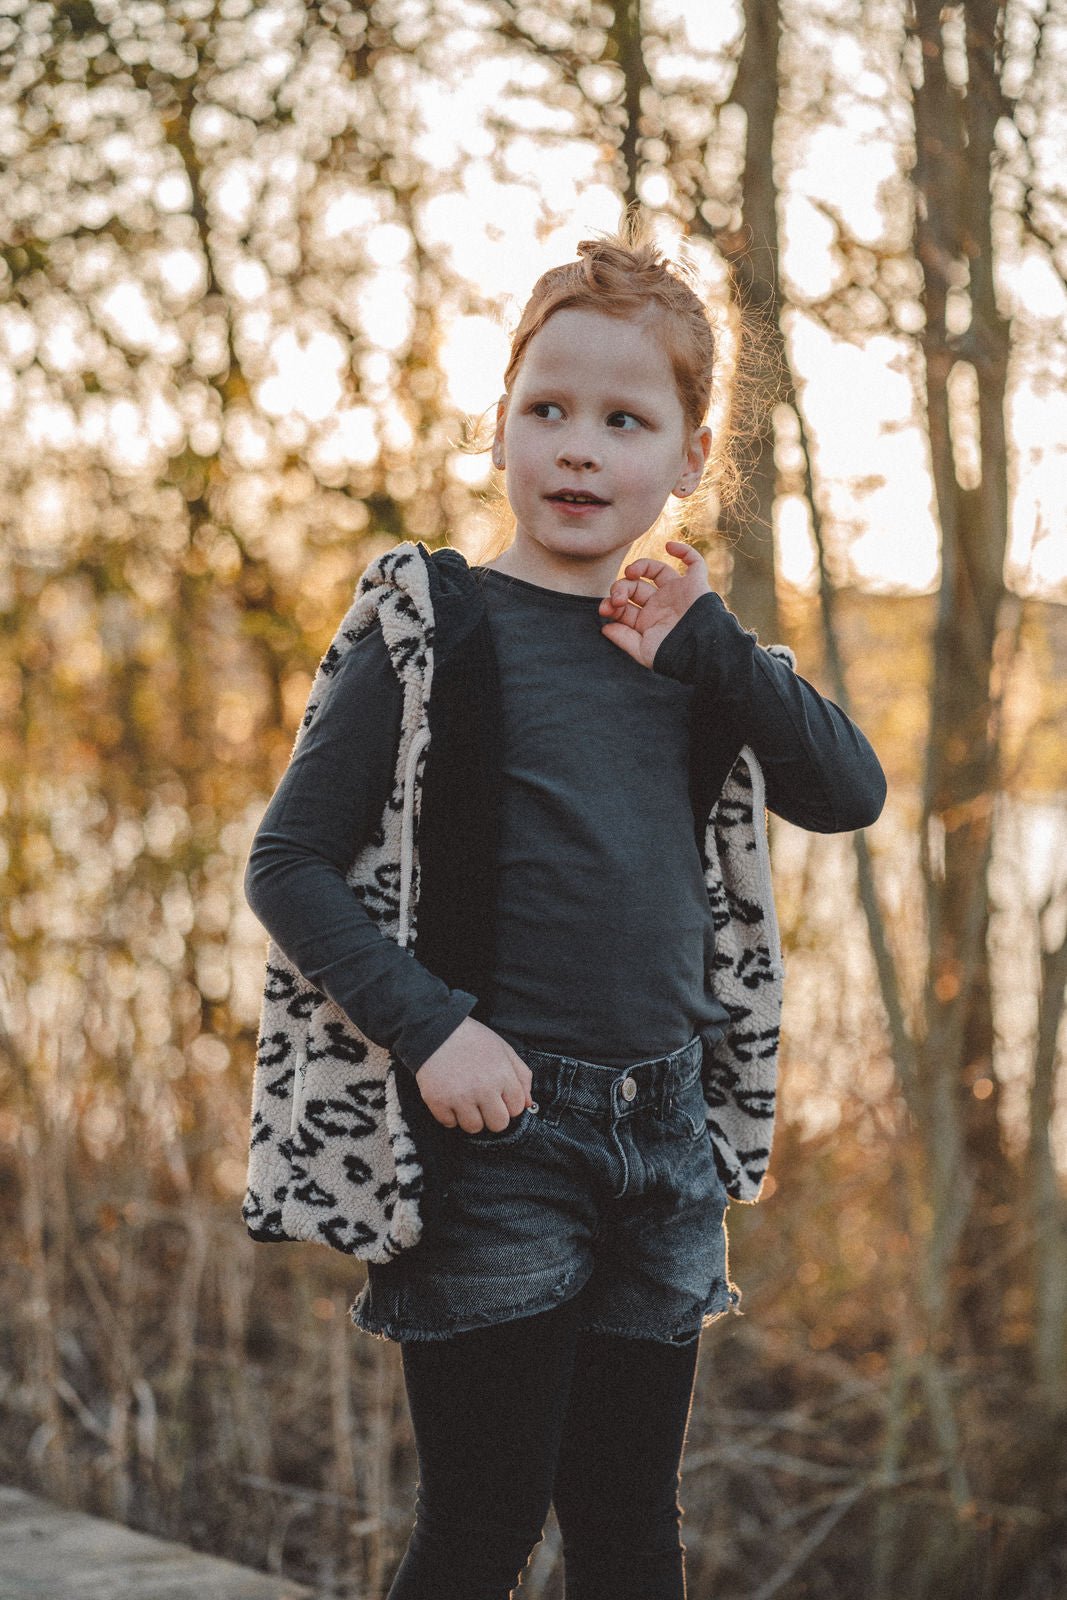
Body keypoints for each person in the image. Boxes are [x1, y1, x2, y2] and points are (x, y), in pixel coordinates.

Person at [241, 226, 887, 1600]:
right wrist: (431, 1034)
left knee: (630, 1533)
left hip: (669, 1140)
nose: (580, 449)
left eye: (623, 420)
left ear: (689, 457)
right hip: (497, 1143)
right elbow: (287, 861)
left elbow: (846, 792)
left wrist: (713, 646)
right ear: (497, 430)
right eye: (548, 411)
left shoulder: (693, 651)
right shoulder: (436, 623)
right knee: (482, 1527)